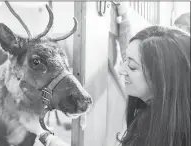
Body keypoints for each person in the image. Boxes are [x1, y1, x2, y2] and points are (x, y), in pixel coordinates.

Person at [18, 8, 191, 146]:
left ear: (162, 77)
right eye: (126, 62)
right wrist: (124, 13)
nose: (122, 70)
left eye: (131, 66)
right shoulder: (153, 114)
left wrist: (44, 136)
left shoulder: (158, 133)